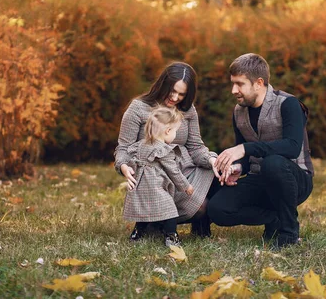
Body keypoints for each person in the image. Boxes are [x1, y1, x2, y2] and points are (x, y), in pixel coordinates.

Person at [207, 53, 314, 249]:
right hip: (260, 180)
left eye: (239, 84)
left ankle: (288, 233)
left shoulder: (288, 103)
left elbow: (291, 147)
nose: (233, 90)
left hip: (294, 179)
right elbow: (247, 157)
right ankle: (275, 218)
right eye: (232, 83)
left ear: (258, 83)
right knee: (217, 210)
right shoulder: (238, 111)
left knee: (273, 163)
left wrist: (244, 148)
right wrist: (238, 166)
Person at [114, 62, 219, 240]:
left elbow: (196, 146)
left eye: (182, 94)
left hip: (184, 169)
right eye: (173, 91)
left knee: (215, 170)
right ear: (163, 84)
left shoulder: (188, 109)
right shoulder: (138, 108)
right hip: (154, 175)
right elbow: (123, 148)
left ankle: (199, 223)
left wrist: (212, 160)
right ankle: (153, 222)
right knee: (196, 206)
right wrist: (124, 166)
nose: (175, 97)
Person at [122, 106, 194, 246]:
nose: (175, 135)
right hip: (155, 187)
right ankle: (171, 237)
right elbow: (173, 171)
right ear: (167, 131)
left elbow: (130, 157)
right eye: (175, 131)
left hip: (140, 186)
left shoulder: (141, 145)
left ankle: (137, 234)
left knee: (144, 210)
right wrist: (186, 186)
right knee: (170, 210)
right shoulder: (163, 150)